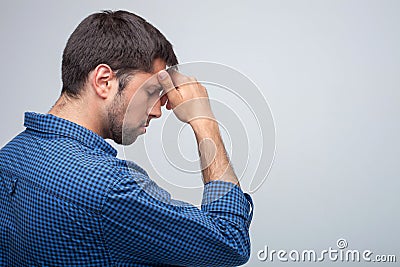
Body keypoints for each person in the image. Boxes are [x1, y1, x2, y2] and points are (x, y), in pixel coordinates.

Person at [0, 10, 253, 266]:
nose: (157, 111)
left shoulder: (9, 156)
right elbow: (230, 241)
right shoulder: (110, 188)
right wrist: (204, 121)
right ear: (104, 81)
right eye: (152, 91)